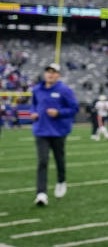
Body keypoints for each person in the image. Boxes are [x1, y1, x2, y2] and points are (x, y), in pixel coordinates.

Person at [30, 63, 78, 206]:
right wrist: (33, 113)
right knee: (42, 161)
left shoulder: (65, 90)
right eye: (48, 71)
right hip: (41, 130)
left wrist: (59, 113)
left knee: (59, 159)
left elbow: (74, 108)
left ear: (59, 75)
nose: (50, 74)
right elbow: (33, 104)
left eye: (54, 72)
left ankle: (61, 180)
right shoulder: (37, 89)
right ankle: (41, 193)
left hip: (58, 131)